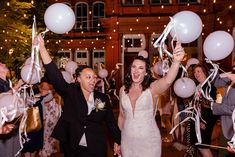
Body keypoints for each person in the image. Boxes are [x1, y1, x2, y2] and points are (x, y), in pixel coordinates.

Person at [34, 35, 121, 157]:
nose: (93, 80)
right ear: (79, 79)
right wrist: (42, 48)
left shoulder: (102, 98)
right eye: (88, 77)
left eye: (94, 77)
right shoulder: (71, 92)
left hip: (96, 147)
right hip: (73, 148)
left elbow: (111, 122)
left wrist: (118, 140)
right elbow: (55, 76)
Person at [118, 42, 185, 157]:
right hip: (127, 141)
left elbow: (168, 80)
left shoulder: (152, 89)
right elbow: (121, 116)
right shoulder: (123, 90)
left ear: (145, 72)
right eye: (134, 67)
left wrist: (176, 62)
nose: (136, 71)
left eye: (140, 68)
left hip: (149, 142)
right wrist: (117, 139)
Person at [190, 64, 217, 157]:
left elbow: (213, 108)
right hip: (196, 121)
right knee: (199, 145)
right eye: (194, 72)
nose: (196, 74)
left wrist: (204, 122)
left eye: (199, 71)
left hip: (204, 123)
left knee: (203, 146)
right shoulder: (197, 87)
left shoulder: (210, 88)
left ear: (205, 72)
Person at [0, 62, 24, 157]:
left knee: (14, 149)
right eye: (0, 64)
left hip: (13, 119)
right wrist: (18, 85)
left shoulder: (7, 81)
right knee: (6, 150)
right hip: (3, 123)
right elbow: (3, 98)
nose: (3, 63)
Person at [211, 70, 235, 157]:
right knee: (222, 153)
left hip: (232, 128)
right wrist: (217, 71)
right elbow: (216, 83)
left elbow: (233, 109)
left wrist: (214, 107)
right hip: (225, 125)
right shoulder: (231, 80)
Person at [39, 81, 62, 157]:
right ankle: (45, 151)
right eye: (44, 87)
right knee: (45, 136)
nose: (46, 87)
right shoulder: (41, 96)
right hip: (46, 120)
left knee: (53, 136)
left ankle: (52, 150)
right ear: (41, 88)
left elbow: (59, 107)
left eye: (47, 86)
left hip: (54, 120)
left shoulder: (55, 95)